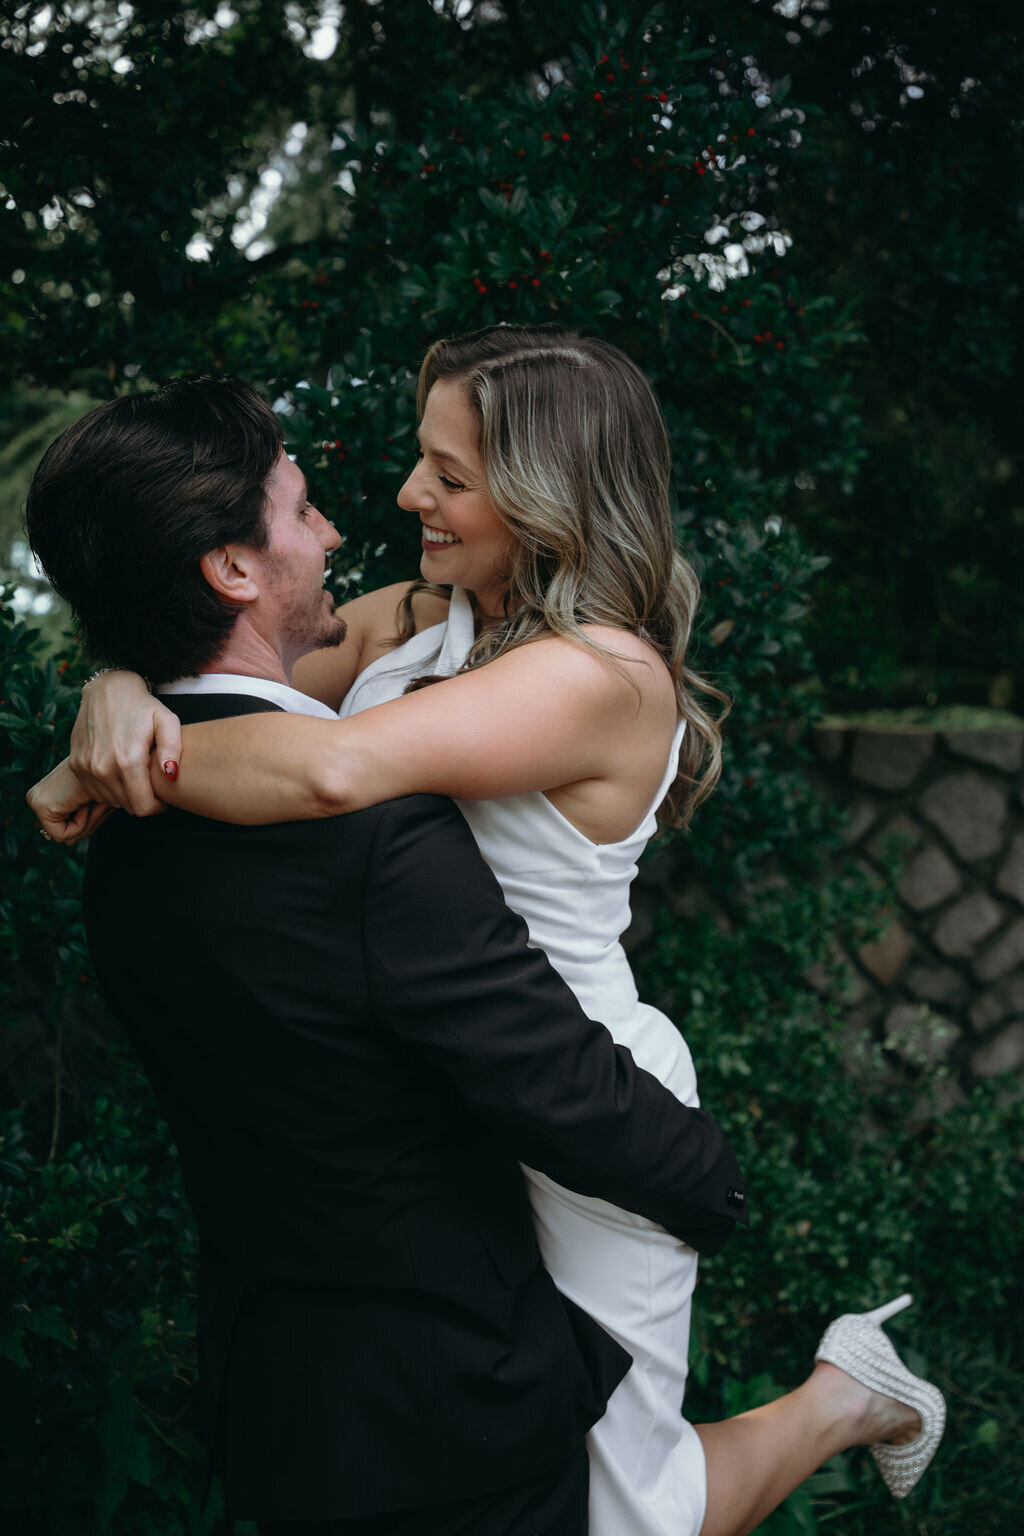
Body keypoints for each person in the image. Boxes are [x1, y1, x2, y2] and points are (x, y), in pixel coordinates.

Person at [30, 334, 946, 1535]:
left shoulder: (602, 674)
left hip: (578, 1089)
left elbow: (329, 769)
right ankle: (845, 1397)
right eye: (424, 460)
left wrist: (117, 760)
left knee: (626, 1516)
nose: (408, 493)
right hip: (447, 1088)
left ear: (543, 494)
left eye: (449, 475)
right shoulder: (417, 618)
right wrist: (118, 691)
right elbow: (249, 666)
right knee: (568, 1487)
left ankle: (847, 1398)